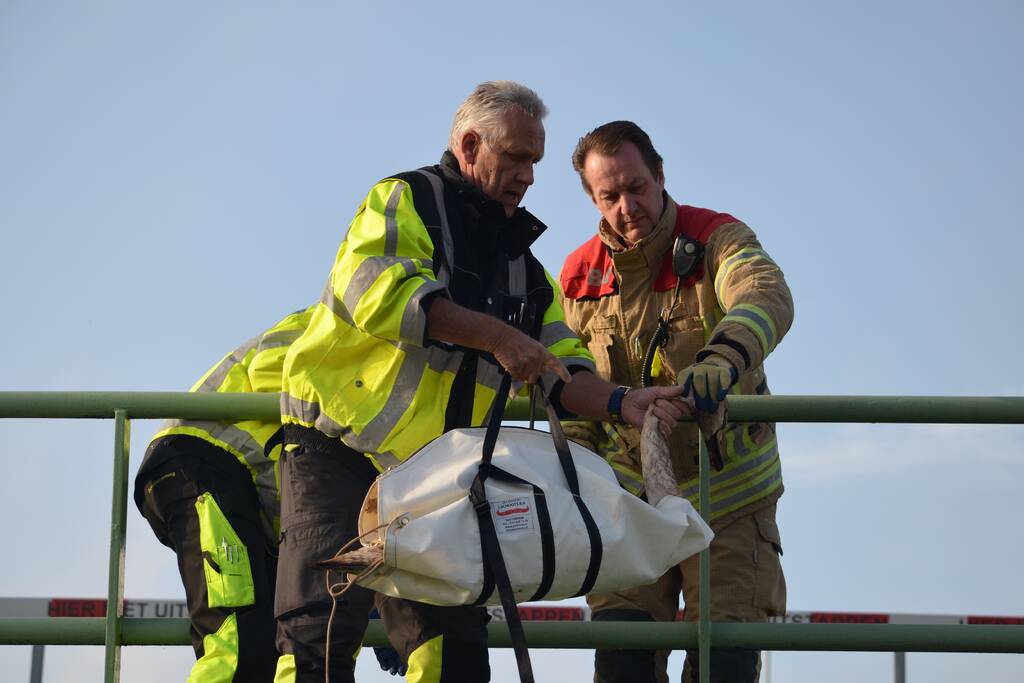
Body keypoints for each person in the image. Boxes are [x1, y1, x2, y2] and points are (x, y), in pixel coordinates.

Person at [274, 82, 688, 683]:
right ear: (470, 145)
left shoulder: (526, 269)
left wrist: (624, 402)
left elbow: (562, 370)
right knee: (318, 636)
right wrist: (499, 337)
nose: (529, 176)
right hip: (338, 448)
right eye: (518, 157)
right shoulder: (405, 199)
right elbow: (379, 292)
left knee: (454, 653)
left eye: (535, 162)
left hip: (436, 476)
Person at [559, 120, 794, 683]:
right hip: (628, 505)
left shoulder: (718, 238)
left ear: (661, 176)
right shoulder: (576, 277)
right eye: (609, 196)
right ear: (592, 199)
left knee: (726, 664)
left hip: (731, 499)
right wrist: (575, 483)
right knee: (623, 664)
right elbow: (570, 390)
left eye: (636, 188)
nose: (626, 207)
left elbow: (765, 293)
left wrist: (721, 360)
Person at [134, 307, 311, 681]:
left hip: (221, 483)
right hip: (201, 465)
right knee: (236, 646)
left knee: (268, 648)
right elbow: (274, 369)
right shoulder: (333, 324)